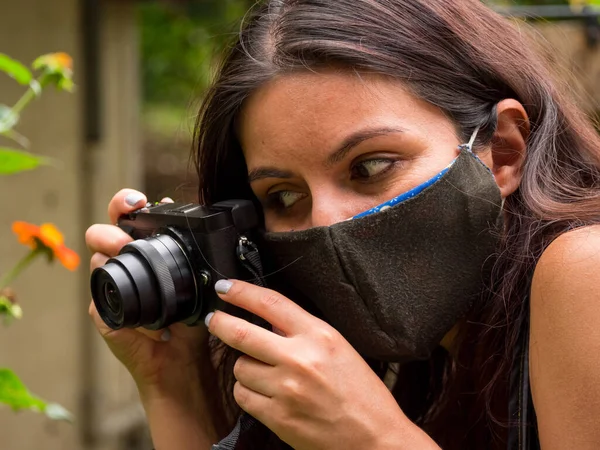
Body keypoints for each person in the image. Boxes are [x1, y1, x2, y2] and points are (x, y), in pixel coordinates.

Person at [85, 1, 600, 449]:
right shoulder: (440, 358)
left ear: (504, 151)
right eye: (283, 196)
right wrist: (172, 381)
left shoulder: (583, 267)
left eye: (371, 167)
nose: (325, 222)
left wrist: (375, 438)